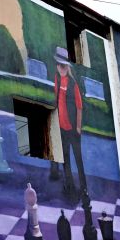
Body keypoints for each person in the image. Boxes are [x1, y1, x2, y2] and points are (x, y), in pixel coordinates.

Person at [53, 47, 87, 195]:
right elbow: (57, 100)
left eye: (64, 65)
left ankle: (83, 187)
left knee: (78, 159)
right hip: (62, 128)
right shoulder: (57, 78)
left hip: (73, 129)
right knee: (65, 159)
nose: (61, 68)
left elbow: (79, 107)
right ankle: (70, 186)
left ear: (67, 67)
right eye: (59, 65)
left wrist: (78, 127)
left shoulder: (73, 84)